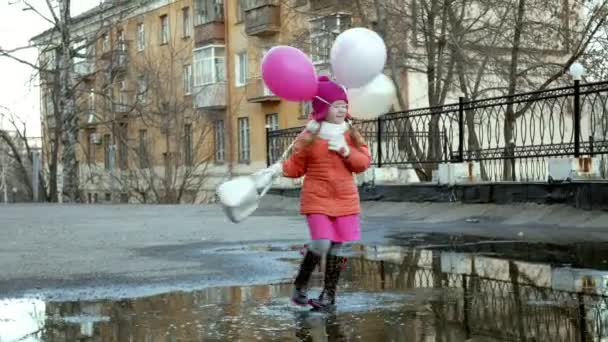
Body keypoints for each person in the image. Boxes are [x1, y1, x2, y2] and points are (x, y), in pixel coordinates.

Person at [267, 75, 372, 310]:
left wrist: (347, 152)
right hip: (317, 198)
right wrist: (278, 169)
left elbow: (363, 163)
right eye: (337, 105)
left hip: (345, 199)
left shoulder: (351, 134)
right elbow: (297, 167)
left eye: (344, 106)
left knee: (339, 247)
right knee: (322, 243)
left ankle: (328, 296)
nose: (342, 110)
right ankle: (300, 286)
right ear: (323, 107)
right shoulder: (310, 135)